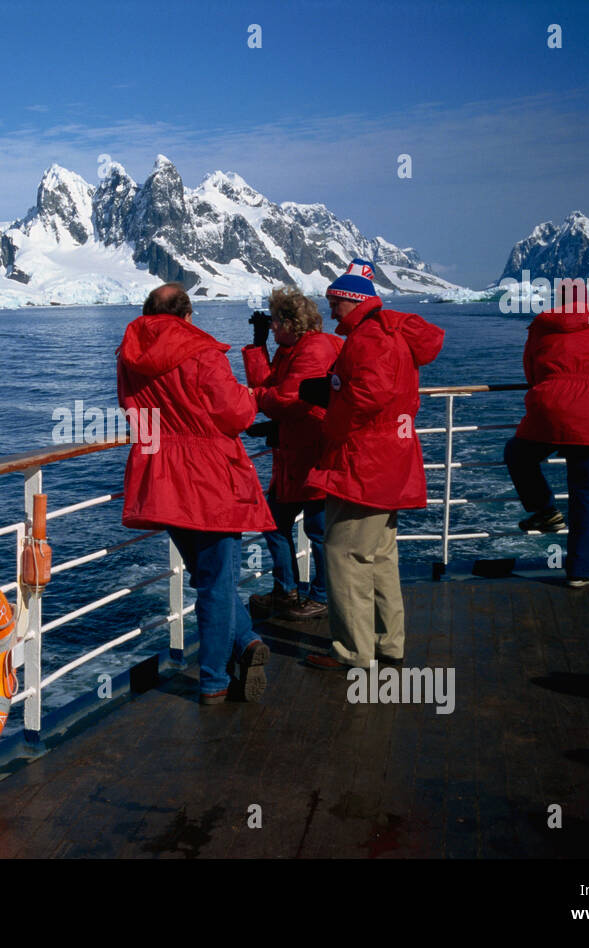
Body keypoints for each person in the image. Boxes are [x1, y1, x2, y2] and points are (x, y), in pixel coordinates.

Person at [117, 283, 277, 705]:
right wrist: (250, 395)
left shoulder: (131, 352)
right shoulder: (202, 351)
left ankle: (245, 642)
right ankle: (213, 681)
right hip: (210, 477)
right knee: (216, 580)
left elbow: (128, 404)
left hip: (160, 474)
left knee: (210, 576)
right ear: (187, 316)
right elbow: (237, 414)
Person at [297, 259, 444, 670]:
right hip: (393, 458)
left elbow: (367, 396)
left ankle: (353, 653)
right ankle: (388, 642)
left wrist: (332, 415)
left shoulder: (367, 338)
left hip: (365, 463)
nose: (330, 312)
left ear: (352, 301)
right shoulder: (391, 334)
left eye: (334, 303)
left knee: (344, 555)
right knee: (379, 555)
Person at [504, 279, 589, 587]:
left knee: (518, 453)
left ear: (557, 300)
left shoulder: (541, 326)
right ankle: (579, 573)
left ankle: (544, 510)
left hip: (550, 404)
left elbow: (530, 371)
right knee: (586, 493)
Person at [242, 287, 343, 620]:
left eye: (273, 322)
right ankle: (287, 591)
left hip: (314, 453)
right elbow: (272, 386)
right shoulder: (294, 348)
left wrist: (253, 399)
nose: (271, 326)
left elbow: (288, 399)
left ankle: (321, 596)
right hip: (294, 454)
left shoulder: (315, 349)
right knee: (274, 523)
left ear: (289, 321)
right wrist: (259, 347)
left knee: (317, 531)